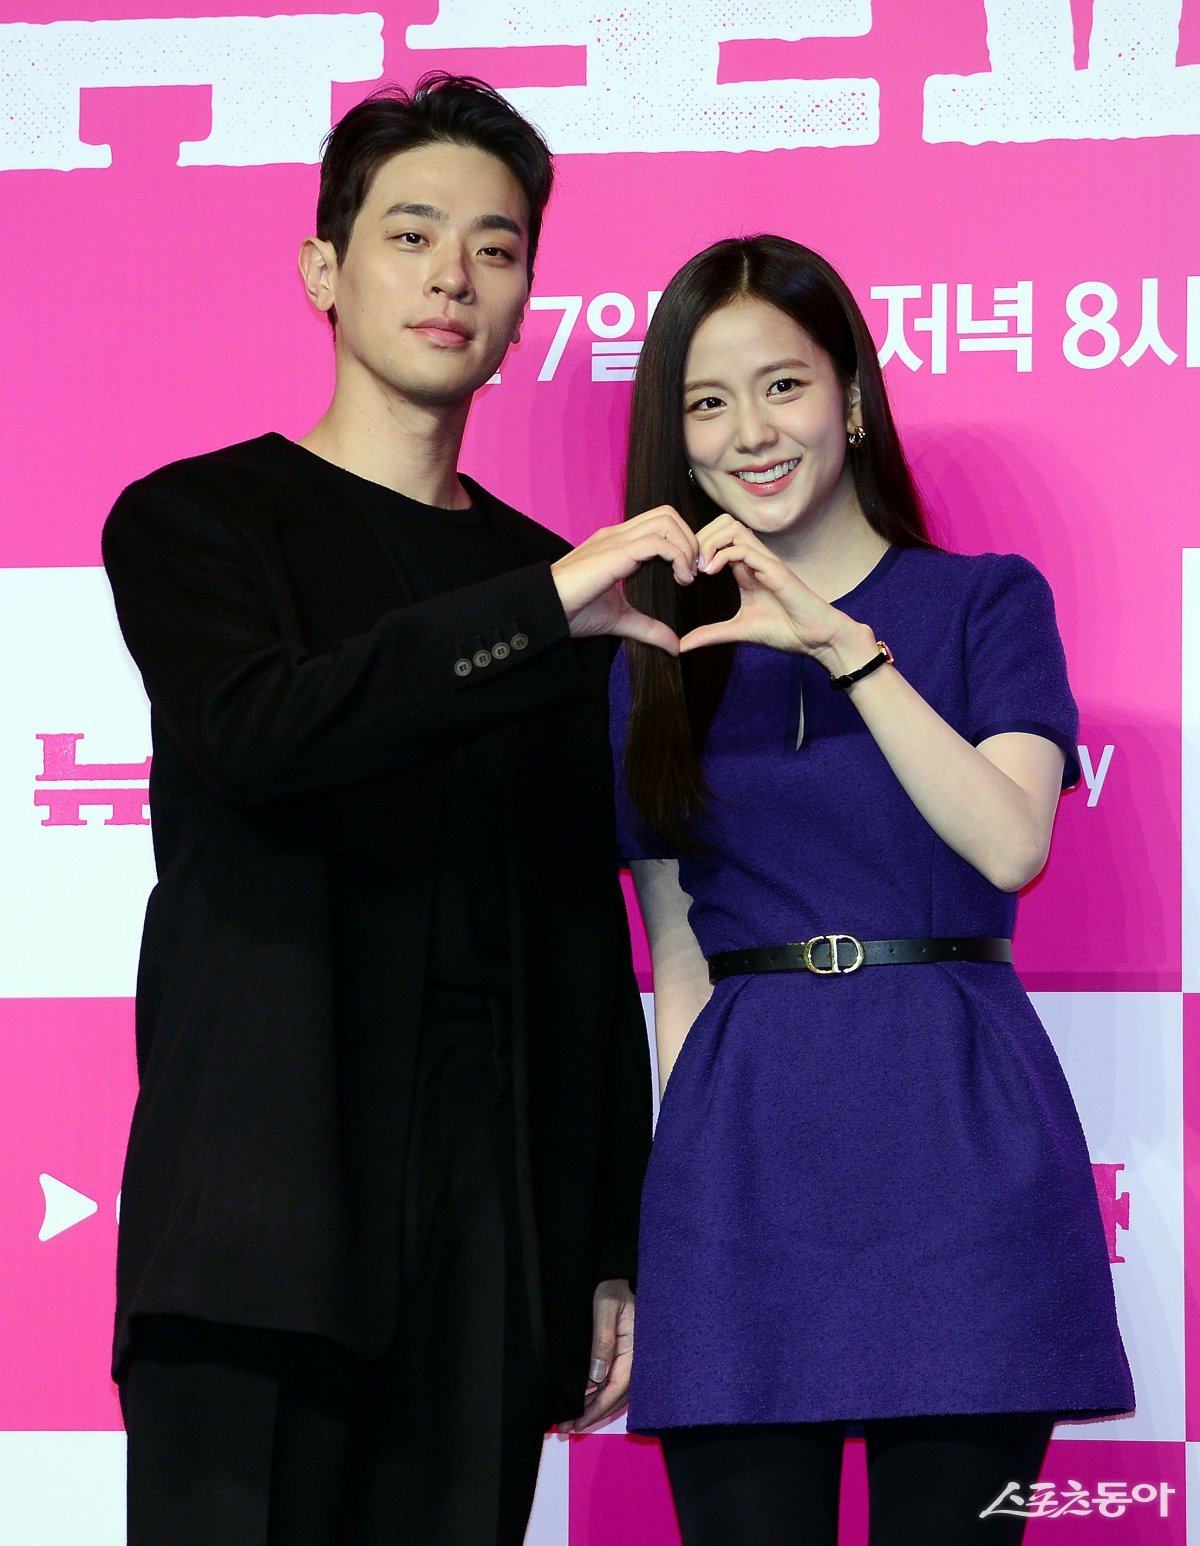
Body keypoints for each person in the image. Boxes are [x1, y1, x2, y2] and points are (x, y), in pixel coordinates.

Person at [102, 74, 700, 1546]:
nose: (453, 277)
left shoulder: (562, 579)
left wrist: (606, 1236)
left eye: (496, 249)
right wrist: (542, 606)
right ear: (326, 267)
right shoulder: (199, 519)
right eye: (412, 233)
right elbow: (262, 732)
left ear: (525, 299)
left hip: (487, 1218)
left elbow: (577, 928)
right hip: (257, 1202)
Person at [609, 235, 1134, 1545]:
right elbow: (677, 960)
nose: (750, 432)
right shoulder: (655, 653)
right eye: (707, 402)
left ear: (850, 395)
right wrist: (674, 1202)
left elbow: (1013, 843)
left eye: (783, 386)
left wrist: (848, 650)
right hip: (742, 1161)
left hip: (957, 1132)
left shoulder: (981, 604)